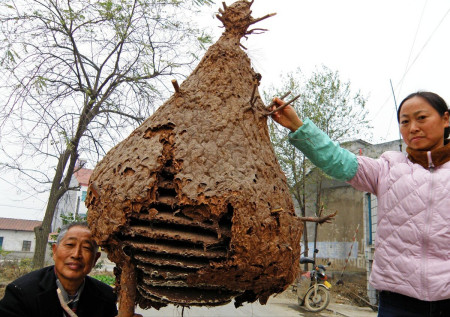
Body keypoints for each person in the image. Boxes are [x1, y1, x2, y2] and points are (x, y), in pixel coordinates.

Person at [271, 91, 450, 317]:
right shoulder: (387, 168)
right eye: (405, 121)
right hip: (398, 302)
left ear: (446, 119)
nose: (413, 127)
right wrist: (297, 125)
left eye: (421, 118)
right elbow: (338, 160)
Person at [0, 222, 141, 317]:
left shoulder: (106, 297)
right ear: (54, 251)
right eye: (70, 245)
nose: (76, 255)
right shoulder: (21, 293)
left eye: (86, 248)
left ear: (95, 259)